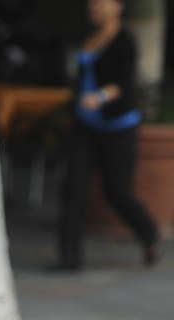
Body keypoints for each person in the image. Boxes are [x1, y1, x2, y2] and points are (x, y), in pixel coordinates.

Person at [54, 0, 161, 271]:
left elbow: (124, 83)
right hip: (85, 128)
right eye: (92, 3)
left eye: (102, 2)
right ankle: (70, 261)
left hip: (118, 128)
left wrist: (99, 97)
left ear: (118, 6)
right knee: (73, 189)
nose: (95, 7)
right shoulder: (86, 39)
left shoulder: (125, 41)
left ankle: (149, 234)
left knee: (117, 192)